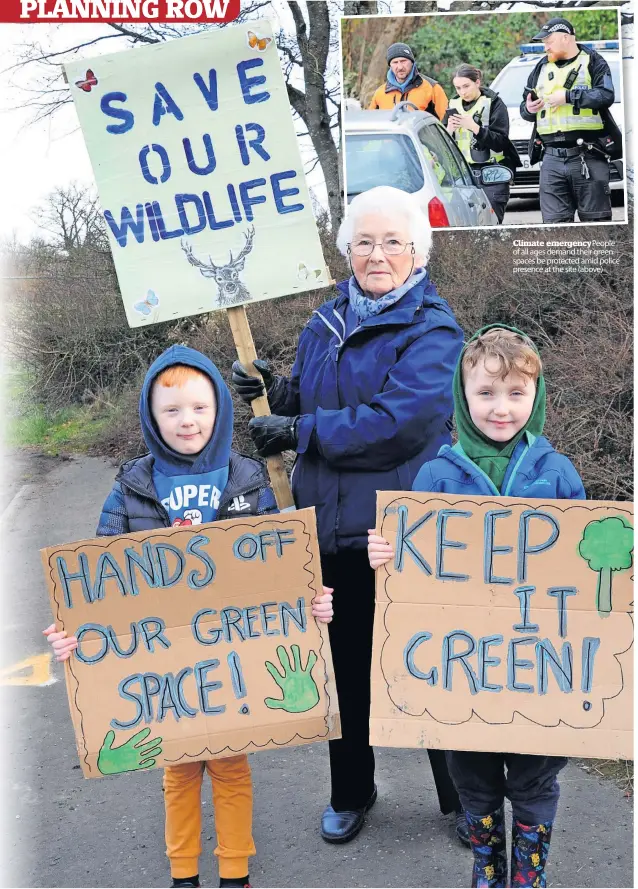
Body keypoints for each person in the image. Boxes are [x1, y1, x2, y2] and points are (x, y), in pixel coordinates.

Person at [44, 345, 334, 889]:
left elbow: (280, 567)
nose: (187, 421)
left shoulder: (248, 479)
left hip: (231, 659)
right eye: (171, 410)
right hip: (163, 665)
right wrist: (76, 633)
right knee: (176, 770)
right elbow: (99, 579)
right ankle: (183, 874)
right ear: (150, 417)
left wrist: (309, 603)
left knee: (230, 767)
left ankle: (234, 872)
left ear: (220, 409)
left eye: (200, 407)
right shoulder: (133, 486)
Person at [230, 186, 469, 848]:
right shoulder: (325, 321)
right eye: (363, 241)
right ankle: (351, 788)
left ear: (418, 250)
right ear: (346, 251)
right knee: (342, 668)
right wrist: (273, 392)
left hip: (399, 536)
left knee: (419, 669)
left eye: (393, 241)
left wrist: (299, 428)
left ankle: (463, 799)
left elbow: (396, 424)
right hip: (325, 531)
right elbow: (311, 396)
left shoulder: (435, 331)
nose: (377, 254)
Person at [368, 326, 586, 888]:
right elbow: (409, 571)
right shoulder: (436, 475)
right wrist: (385, 552)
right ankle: (486, 868)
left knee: (535, 780)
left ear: (537, 397)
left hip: (540, 668)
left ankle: (527, 876)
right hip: (461, 668)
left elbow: (589, 567)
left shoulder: (556, 472)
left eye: (517, 393)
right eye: (486, 393)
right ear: (462, 397)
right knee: (474, 777)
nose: (501, 407)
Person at [520, 16, 622, 224]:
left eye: (549, 40)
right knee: (554, 226)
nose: (545, 46)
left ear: (565, 38)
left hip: (588, 155)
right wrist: (528, 109)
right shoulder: (540, 67)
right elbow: (525, 107)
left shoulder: (593, 61)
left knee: (596, 225)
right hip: (550, 159)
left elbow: (606, 96)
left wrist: (568, 97)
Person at [443, 64, 521, 224]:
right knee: (464, 229)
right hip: (464, 177)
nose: (462, 92)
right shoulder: (453, 105)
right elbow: (442, 147)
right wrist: (448, 131)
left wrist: (474, 128)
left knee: (491, 228)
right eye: (458, 88)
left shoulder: (495, 104)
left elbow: (501, 142)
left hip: (492, 176)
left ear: (477, 82)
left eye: (466, 86)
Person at [368, 42, 448, 119]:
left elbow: (446, 123)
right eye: (395, 62)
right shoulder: (380, 93)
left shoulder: (432, 88)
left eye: (403, 61)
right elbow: (370, 123)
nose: (400, 67)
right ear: (390, 66)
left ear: (412, 62)